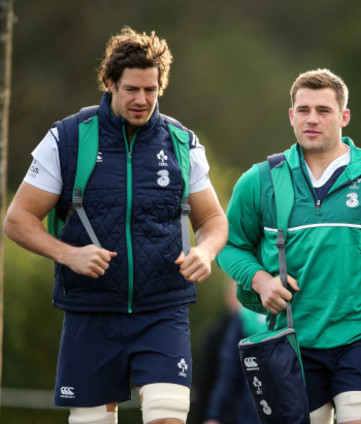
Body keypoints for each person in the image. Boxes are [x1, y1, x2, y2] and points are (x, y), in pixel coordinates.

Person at [3, 26, 228, 424]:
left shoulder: (181, 142)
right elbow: (18, 219)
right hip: (91, 309)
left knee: (169, 413)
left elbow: (212, 219)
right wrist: (68, 254)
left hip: (163, 308)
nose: (142, 100)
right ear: (109, 83)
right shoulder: (67, 138)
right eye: (131, 89)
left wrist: (205, 252)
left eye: (151, 90)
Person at [216, 68, 361, 424]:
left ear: (344, 116)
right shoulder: (260, 181)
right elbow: (227, 246)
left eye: (323, 110)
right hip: (292, 345)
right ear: (291, 116)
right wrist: (261, 281)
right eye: (303, 110)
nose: (312, 119)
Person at [202, 282, 266, 424]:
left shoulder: (244, 316)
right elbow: (229, 371)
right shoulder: (244, 317)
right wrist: (215, 416)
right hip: (250, 415)